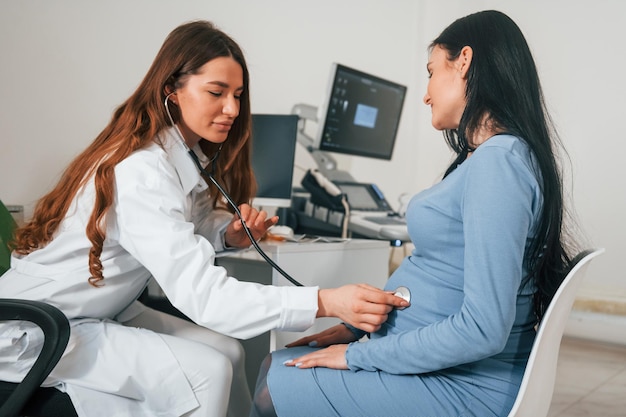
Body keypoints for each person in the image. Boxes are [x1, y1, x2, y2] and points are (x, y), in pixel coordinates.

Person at [0, 20, 408, 417]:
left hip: (100, 309)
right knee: (207, 371)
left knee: (227, 350)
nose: (231, 109)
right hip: (39, 327)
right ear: (171, 91)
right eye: (216, 92)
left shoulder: (178, 159)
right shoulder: (142, 170)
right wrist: (325, 300)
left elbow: (184, 226)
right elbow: (208, 298)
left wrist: (227, 234)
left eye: (238, 94)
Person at [250, 10, 577, 417]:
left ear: (465, 61)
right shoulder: (495, 159)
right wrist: (362, 325)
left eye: (431, 71)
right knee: (273, 365)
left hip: (465, 384)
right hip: (449, 368)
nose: (425, 94)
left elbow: (482, 329)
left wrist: (358, 356)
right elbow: (448, 270)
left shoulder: (500, 163)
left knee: (271, 387)